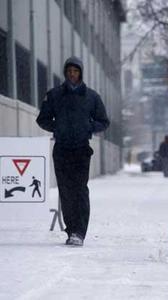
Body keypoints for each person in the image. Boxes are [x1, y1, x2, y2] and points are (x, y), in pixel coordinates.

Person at [36, 56, 110, 246]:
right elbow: (42, 119)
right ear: (65, 72)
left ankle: (80, 232)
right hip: (61, 149)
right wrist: (57, 127)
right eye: (69, 70)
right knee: (65, 191)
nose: (72, 74)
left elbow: (104, 121)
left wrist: (89, 127)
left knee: (80, 190)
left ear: (81, 73)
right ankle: (71, 231)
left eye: (75, 71)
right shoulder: (54, 95)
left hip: (81, 150)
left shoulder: (92, 97)